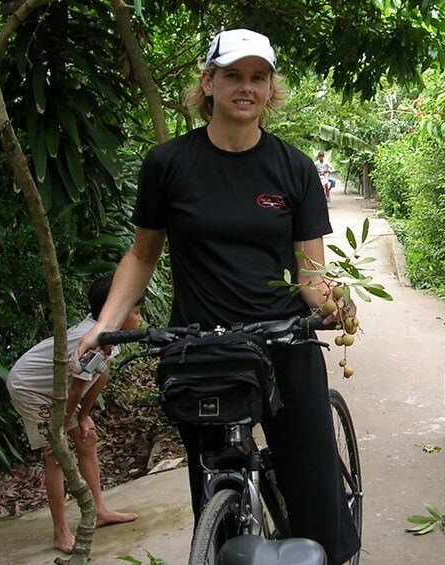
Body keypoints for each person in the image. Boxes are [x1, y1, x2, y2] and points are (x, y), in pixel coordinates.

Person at [74, 28, 360, 565]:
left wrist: (333, 305)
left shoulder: (293, 167)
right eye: (232, 75)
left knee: (312, 477)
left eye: (258, 77)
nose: (245, 87)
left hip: (282, 339)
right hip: (202, 348)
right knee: (212, 484)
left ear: (271, 89)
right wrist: (104, 324)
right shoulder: (169, 164)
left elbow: (308, 272)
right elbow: (141, 256)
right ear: (208, 83)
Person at [6, 273, 141, 554]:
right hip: (30, 387)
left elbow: (100, 376)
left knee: (86, 439)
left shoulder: (106, 337)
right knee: (55, 454)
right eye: (136, 311)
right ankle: (60, 532)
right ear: (114, 311)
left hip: (58, 388)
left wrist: (82, 417)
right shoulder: (91, 339)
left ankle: (99, 511)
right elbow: (78, 387)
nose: (139, 320)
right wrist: (68, 420)